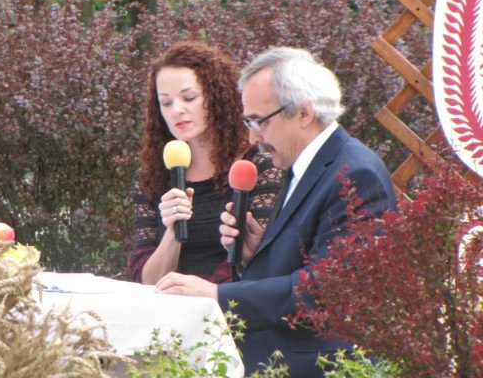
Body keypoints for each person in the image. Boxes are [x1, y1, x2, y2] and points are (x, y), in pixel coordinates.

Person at [155, 46, 398, 377]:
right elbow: (304, 262)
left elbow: (328, 289)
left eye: (259, 121)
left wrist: (217, 294)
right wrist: (254, 254)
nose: (252, 137)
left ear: (303, 113)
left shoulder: (355, 173)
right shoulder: (304, 163)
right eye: (248, 122)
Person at [128, 41, 283, 285]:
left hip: (229, 304)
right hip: (169, 303)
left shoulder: (258, 166)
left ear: (217, 97)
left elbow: (260, 263)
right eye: (166, 103)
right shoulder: (151, 178)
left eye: (189, 97)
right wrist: (172, 233)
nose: (176, 110)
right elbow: (146, 282)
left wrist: (199, 291)